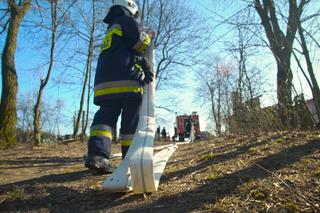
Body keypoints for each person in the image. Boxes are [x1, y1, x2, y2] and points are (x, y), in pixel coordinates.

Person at [84, 0, 154, 174]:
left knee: (105, 118)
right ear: (129, 9)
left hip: (104, 83)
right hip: (127, 81)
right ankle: (129, 159)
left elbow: (123, 52)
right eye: (134, 15)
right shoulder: (126, 21)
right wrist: (148, 36)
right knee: (130, 121)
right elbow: (139, 42)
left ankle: (98, 155)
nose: (134, 18)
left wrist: (137, 59)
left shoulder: (111, 30)